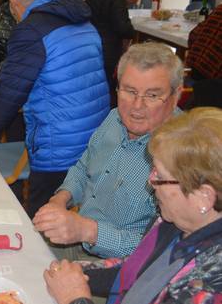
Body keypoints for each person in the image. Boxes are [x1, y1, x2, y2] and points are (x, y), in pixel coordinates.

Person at [0, 0, 110, 217]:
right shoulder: (83, 21)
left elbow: (8, 93)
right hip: (94, 139)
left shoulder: (31, 31)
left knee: (43, 220)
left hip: (58, 144)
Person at [44, 107, 222, 304]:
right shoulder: (170, 222)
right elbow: (135, 266)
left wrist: (75, 298)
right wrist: (77, 273)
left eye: (161, 177)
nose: (150, 181)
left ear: (204, 197)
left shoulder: (210, 281)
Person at [34, 42, 183, 260]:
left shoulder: (185, 155)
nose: (136, 106)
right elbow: (84, 167)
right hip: (74, 238)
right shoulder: (115, 118)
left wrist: (88, 231)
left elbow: (160, 253)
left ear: (176, 95)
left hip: (118, 270)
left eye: (152, 95)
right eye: (129, 91)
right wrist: (61, 199)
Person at [68, 0, 135, 98]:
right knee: (103, 95)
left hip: (77, 47)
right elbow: (122, 27)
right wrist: (132, 31)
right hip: (105, 52)